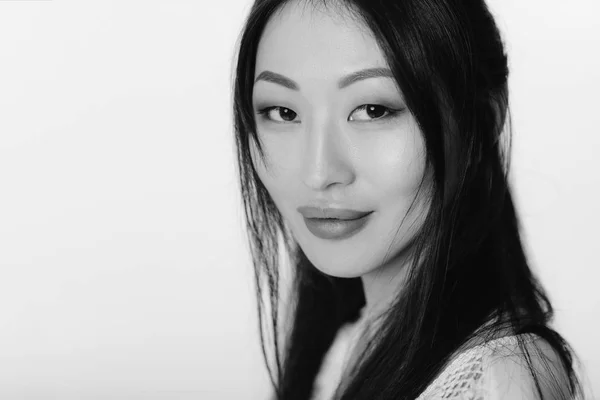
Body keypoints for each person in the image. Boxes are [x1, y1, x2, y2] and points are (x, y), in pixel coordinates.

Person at [231, 0, 585, 399]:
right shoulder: (344, 344)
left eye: (373, 110)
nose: (318, 172)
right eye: (282, 112)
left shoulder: (498, 381)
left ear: (482, 120)